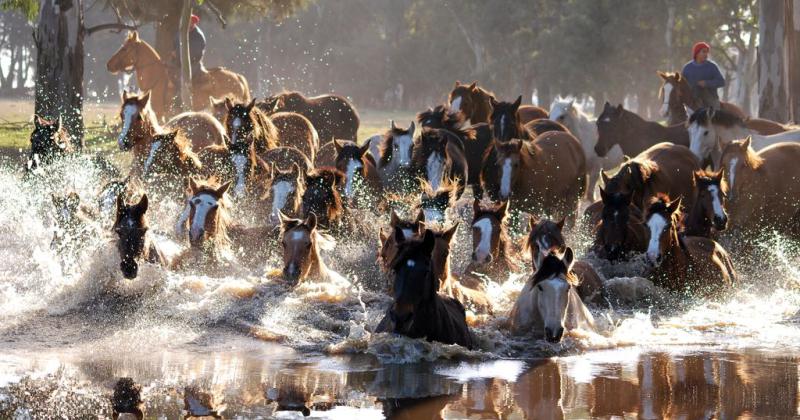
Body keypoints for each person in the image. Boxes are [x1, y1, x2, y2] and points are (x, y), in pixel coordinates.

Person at [681, 41, 725, 109]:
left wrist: (706, 83)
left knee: (714, 115)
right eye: (703, 52)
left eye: (707, 52)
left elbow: (721, 82)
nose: (706, 54)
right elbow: (682, 85)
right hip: (692, 100)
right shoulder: (687, 68)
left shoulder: (712, 66)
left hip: (711, 100)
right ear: (697, 53)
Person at [173, 14, 207, 79]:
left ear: (193, 23)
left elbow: (194, 53)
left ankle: (183, 88)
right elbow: (175, 44)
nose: (188, 24)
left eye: (190, 22)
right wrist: (174, 52)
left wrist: (177, 54)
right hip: (178, 62)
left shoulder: (198, 36)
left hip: (192, 64)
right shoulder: (181, 32)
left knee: (180, 79)